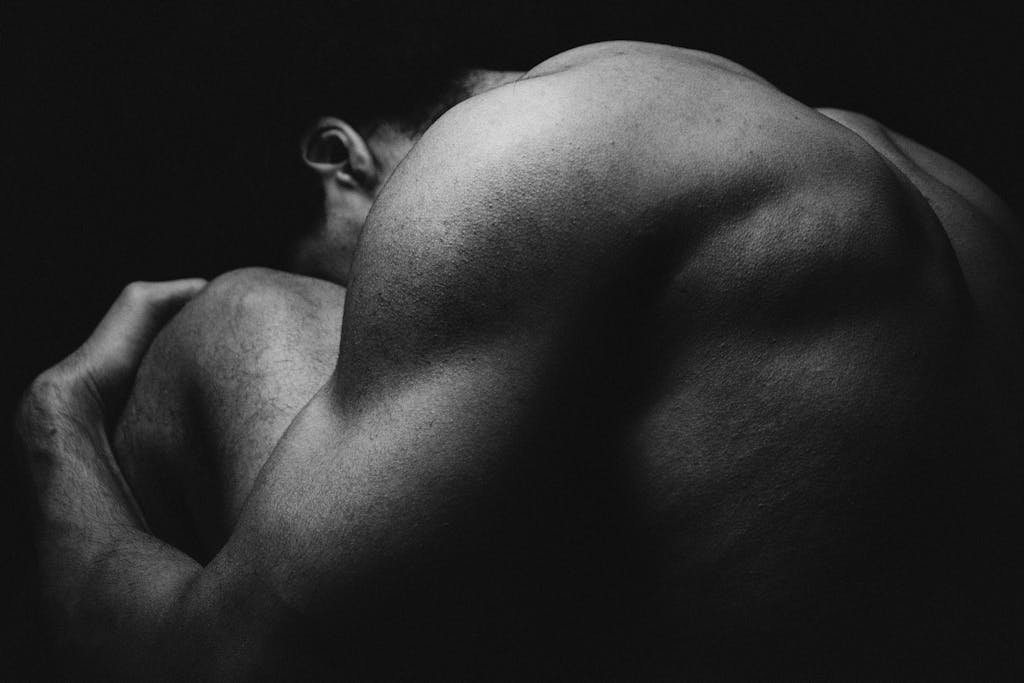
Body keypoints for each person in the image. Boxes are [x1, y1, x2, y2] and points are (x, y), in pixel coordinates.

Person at [16, 41, 1022, 678]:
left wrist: (57, 412)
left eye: (348, 292)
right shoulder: (937, 192)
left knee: (238, 311)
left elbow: (221, 667)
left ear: (340, 159)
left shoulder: (517, 155)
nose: (359, 328)